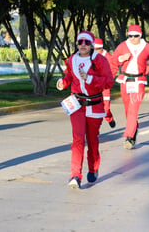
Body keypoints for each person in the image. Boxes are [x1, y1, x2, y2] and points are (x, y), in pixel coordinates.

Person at [57, 31, 114, 188]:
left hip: (94, 105)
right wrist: (63, 82)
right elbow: (69, 76)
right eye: (80, 42)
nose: (83, 45)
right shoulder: (72, 59)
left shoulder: (100, 60)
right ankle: (75, 175)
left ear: (91, 45)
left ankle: (93, 168)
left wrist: (89, 78)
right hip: (77, 104)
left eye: (86, 42)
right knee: (78, 139)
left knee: (92, 140)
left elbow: (108, 82)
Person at [110, 25, 149, 149]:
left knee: (133, 108)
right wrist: (122, 58)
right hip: (125, 80)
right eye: (130, 36)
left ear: (140, 35)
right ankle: (134, 130)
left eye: (135, 36)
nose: (132, 38)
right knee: (128, 109)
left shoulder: (146, 47)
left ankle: (129, 135)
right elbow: (114, 60)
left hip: (139, 80)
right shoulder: (122, 46)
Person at [94, 37, 116, 128]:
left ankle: (109, 118)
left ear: (101, 48)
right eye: (93, 49)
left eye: (97, 49)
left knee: (106, 109)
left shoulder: (109, 58)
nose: (95, 51)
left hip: (104, 87)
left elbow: (114, 69)